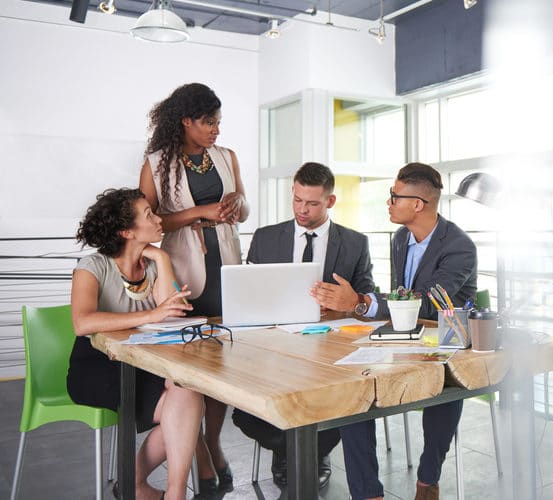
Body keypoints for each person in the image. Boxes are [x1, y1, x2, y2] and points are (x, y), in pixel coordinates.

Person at [311, 162, 477, 500]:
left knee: (443, 384)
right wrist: (357, 306)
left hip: (448, 343)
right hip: (405, 336)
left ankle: (427, 480)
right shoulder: (401, 238)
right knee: (352, 388)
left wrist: (360, 300)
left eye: (394, 196)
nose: (388, 202)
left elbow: (429, 303)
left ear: (418, 204)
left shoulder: (459, 246)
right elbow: (402, 296)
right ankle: (368, 493)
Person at [231, 162, 378, 489]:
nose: (302, 209)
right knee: (244, 412)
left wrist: (348, 302)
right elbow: (250, 293)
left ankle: (304, 452)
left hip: (328, 350)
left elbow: (365, 300)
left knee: (342, 400)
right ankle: (297, 450)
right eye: (297, 200)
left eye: (312, 203)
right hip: (273, 349)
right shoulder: (266, 237)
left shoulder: (355, 243)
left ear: (331, 201)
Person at [138, 82, 247, 492]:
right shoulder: (156, 162)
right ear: (185, 121)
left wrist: (235, 202)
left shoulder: (225, 156)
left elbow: (243, 207)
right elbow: (146, 223)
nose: (216, 130)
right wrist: (197, 213)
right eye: (207, 122)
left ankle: (213, 445)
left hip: (226, 266)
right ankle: (199, 454)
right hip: (182, 272)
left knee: (220, 364)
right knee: (187, 370)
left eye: (218, 122)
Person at [68, 188, 202, 500]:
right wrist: (153, 313)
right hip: (98, 365)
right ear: (126, 231)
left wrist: (162, 256)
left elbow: (172, 314)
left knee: (188, 390)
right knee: (182, 409)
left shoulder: (152, 264)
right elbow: (82, 322)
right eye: (149, 215)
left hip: (144, 362)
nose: (158, 219)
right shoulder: (92, 266)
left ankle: (173, 492)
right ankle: (140, 485)